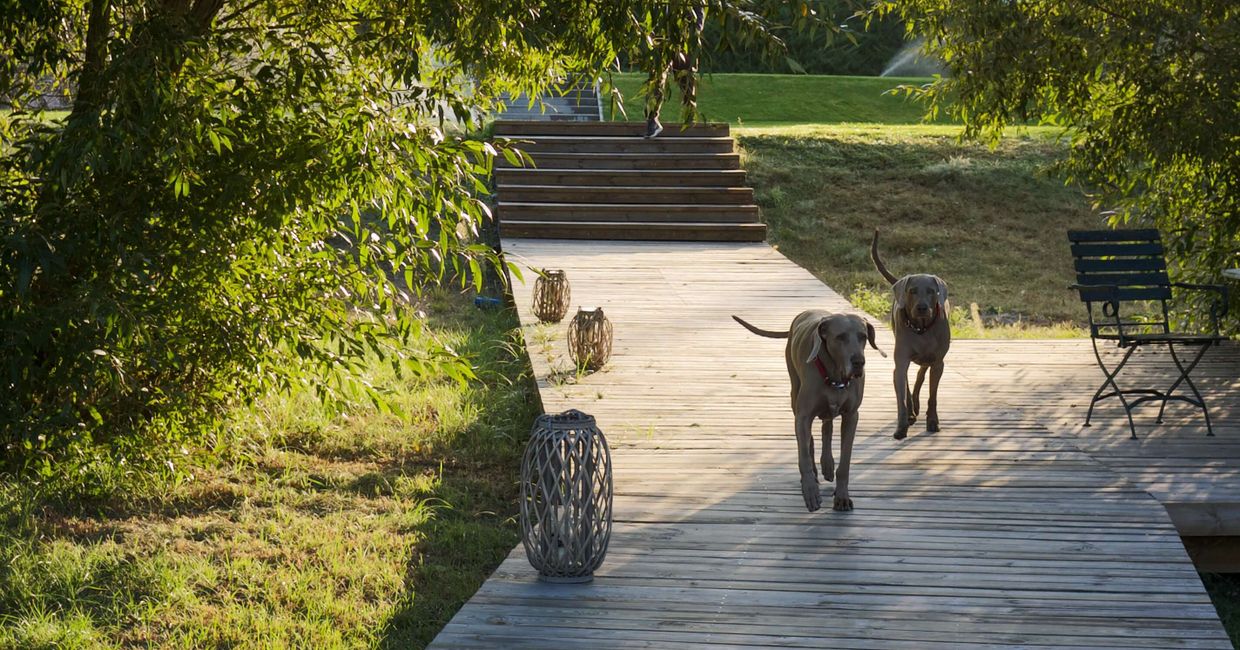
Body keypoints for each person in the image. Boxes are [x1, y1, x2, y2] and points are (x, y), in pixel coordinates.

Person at [645, 2, 707, 138]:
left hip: (684, 41)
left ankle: (690, 116)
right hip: (663, 39)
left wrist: (693, 35)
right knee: (657, 79)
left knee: (686, 79)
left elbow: (699, 11)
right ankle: (652, 120)